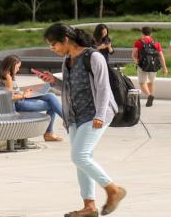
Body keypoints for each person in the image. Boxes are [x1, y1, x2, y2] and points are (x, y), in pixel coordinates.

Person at [37, 23, 125, 217]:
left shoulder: (93, 57)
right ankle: (89, 206)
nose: (53, 50)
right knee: (82, 159)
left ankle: (113, 190)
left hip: (95, 115)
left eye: (54, 45)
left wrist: (100, 116)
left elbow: (103, 89)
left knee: (80, 156)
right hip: (75, 117)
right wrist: (54, 81)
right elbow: (69, 89)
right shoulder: (67, 60)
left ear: (65, 40)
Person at [0, 55, 63, 141]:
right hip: (17, 105)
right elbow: (10, 97)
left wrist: (26, 92)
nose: (18, 70)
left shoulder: (3, 75)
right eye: (17, 67)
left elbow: (10, 93)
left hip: (18, 101)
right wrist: (23, 95)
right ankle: (56, 128)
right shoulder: (7, 77)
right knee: (52, 103)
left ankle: (55, 128)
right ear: (11, 66)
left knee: (51, 96)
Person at [132, 26, 168, 107]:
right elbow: (161, 56)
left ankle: (149, 96)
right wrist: (164, 67)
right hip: (154, 65)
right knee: (151, 82)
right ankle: (150, 96)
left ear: (142, 33)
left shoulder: (138, 42)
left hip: (142, 65)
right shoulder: (156, 43)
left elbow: (134, 55)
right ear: (151, 33)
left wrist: (136, 61)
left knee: (142, 82)